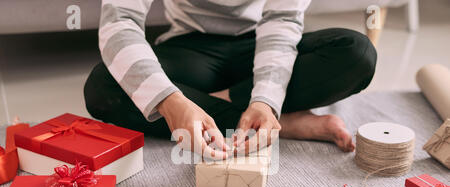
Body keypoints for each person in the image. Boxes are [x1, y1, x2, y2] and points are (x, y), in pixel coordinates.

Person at [84, 0, 377, 159]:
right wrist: (168, 100)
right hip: (192, 45)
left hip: (261, 41)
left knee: (357, 53)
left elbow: (282, 22)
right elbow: (120, 21)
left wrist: (265, 99)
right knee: (103, 85)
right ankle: (282, 123)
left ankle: (256, 113)